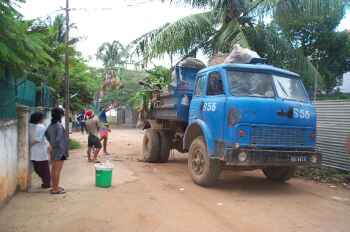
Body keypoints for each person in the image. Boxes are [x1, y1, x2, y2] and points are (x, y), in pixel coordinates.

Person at [45, 107, 68, 194]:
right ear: (60, 115)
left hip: (54, 150)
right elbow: (58, 139)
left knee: (53, 169)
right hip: (59, 150)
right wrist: (52, 144)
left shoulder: (51, 125)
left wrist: (50, 144)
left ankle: (55, 186)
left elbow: (46, 134)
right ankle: (55, 189)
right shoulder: (58, 125)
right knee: (57, 170)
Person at [29, 112, 51, 189]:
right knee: (41, 167)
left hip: (40, 149)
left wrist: (28, 144)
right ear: (39, 119)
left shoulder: (39, 126)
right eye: (42, 118)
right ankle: (46, 182)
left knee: (41, 168)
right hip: (39, 150)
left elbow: (38, 139)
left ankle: (47, 183)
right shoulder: (38, 126)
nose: (43, 119)